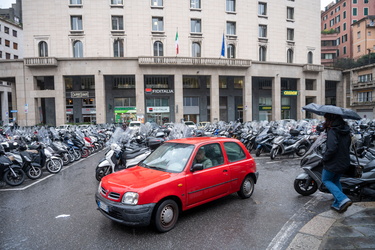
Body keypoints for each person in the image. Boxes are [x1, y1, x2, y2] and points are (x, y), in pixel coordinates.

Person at [322, 113, 352, 213]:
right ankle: (338, 203)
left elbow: (332, 148)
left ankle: (343, 199)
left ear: (329, 119)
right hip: (344, 160)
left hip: (333, 162)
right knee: (335, 180)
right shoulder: (346, 130)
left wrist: (325, 158)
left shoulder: (333, 131)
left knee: (326, 180)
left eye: (326, 118)